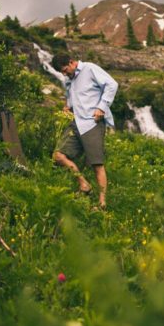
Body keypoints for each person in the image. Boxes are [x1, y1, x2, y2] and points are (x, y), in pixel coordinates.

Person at [51, 52, 118, 209]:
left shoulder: (89, 68)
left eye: (65, 69)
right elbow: (75, 98)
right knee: (58, 156)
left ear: (72, 62)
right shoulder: (70, 80)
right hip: (76, 123)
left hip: (92, 123)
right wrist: (68, 106)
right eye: (61, 72)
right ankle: (84, 184)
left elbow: (112, 84)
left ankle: (102, 204)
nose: (64, 73)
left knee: (97, 164)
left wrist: (101, 107)